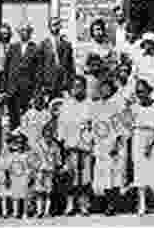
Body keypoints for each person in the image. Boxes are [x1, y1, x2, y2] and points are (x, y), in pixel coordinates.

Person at [58, 75, 93, 215]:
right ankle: (70, 204)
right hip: (70, 144)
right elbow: (61, 125)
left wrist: (89, 139)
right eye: (75, 86)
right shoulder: (66, 105)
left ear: (84, 88)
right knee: (71, 177)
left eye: (80, 86)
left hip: (85, 144)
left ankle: (84, 204)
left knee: (85, 177)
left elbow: (93, 124)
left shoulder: (89, 104)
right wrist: (62, 142)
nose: (77, 89)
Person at [91, 78, 127, 215]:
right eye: (102, 88)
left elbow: (120, 127)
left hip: (113, 145)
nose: (104, 91)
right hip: (100, 144)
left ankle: (113, 204)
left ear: (112, 90)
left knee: (113, 175)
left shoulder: (116, 105)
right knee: (102, 174)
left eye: (107, 88)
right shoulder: (96, 106)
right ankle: (105, 203)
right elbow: (93, 125)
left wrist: (116, 145)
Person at [131, 78, 154, 216]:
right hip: (138, 136)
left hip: (152, 139)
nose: (140, 94)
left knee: (152, 172)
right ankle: (142, 204)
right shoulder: (134, 107)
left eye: (142, 91)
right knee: (139, 171)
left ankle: (153, 202)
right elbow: (127, 123)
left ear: (149, 91)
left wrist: (150, 145)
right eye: (138, 92)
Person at [3, 23, 40, 127]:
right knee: (13, 118)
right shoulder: (13, 47)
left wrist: (35, 91)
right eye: (22, 31)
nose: (24, 33)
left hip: (27, 89)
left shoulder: (35, 48)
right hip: (12, 89)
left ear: (30, 33)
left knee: (25, 118)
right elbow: (6, 69)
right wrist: (5, 89)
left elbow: (37, 72)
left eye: (27, 31)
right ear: (19, 33)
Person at [30, 121, 62, 217]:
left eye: (50, 133)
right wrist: (35, 167)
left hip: (50, 170)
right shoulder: (37, 145)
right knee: (39, 192)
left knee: (48, 192)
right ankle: (39, 211)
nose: (48, 135)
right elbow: (32, 157)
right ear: (43, 133)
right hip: (40, 170)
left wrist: (58, 166)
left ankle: (47, 212)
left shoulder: (55, 146)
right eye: (46, 133)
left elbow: (58, 158)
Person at [38, 17, 75, 97]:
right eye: (53, 25)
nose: (55, 27)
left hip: (63, 83)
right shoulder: (43, 45)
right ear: (49, 27)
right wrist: (41, 85)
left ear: (60, 26)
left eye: (57, 25)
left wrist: (70, 84)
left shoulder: (67, 45)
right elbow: (40, 66)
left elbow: (71, 66)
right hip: (48, 84)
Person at [84, 19, 117, 101]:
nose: (99, 32)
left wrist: (109, 66)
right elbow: (83, 67)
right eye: (97, 29)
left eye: (101, 29)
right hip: (93, 81)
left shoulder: (109, 45)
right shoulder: (88, 47)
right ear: (92, 32)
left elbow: (114, 63)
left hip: (106, 80)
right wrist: (92, 68)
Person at [5, 132, 30, 219]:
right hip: (14, 176)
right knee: (15, 195)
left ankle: (25, 212)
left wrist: (28, 176)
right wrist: (8, 177)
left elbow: (28, 167)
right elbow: (8, 167)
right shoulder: (12, 155)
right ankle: (15, 212)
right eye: (18, 143)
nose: (19, 145)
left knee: (25, 195)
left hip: (24, 176)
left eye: (21, 143)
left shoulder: (26, 155)